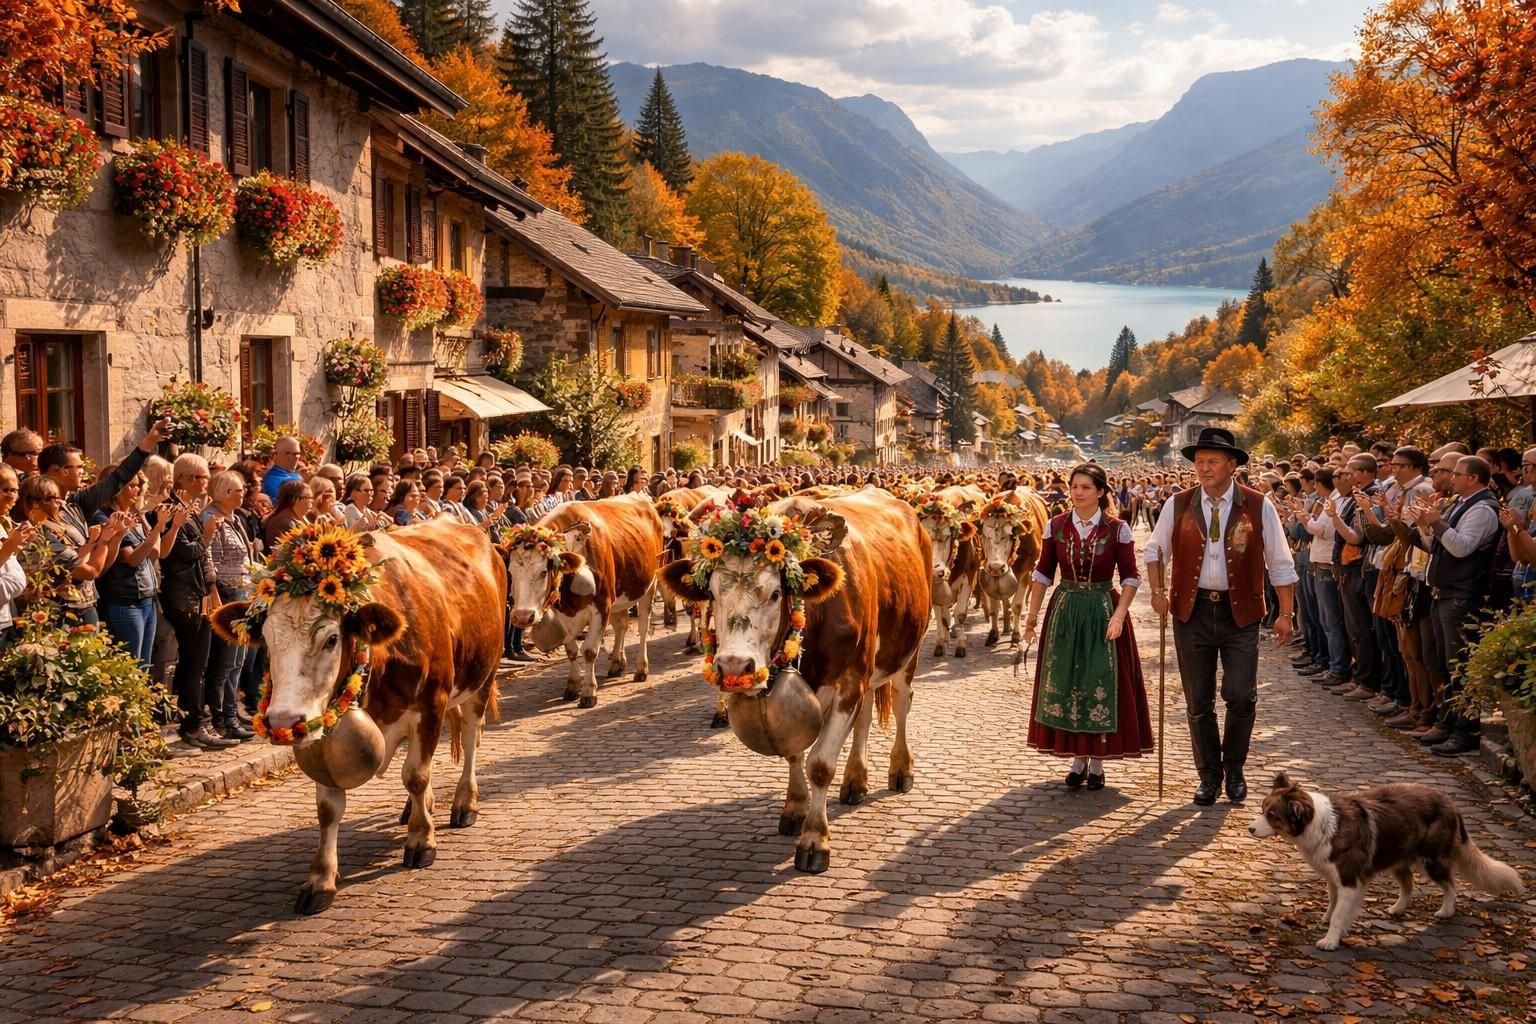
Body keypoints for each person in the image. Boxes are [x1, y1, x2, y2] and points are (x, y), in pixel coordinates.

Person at [1144, 427, 1298, 805]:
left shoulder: (1258, 504)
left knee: (1241, 696)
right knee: (1198, 700)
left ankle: (1236, 768)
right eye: (1199, 462)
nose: (1204, 468)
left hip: (1240, 612)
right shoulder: (1178, 504)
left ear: (1233, 465)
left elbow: (1280, 562)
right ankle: (1209, 775)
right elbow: (1153, 550)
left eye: (1212, 461)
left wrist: (1286, 612)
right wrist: (1158, 591)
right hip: (1191, 612)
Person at [1022, 463, 1154, 790]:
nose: (1078, 493)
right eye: (1074, 486)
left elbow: (1130, 577)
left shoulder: (1117, 528)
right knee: (1068, 682)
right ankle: (1077, 759)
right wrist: (1031, 616)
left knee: (1099, 680)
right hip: (1065, 610)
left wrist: (1120, 615)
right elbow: (1042, 573)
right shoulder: (1056, 526)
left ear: (1101, 492)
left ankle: (1096, 761)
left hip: (1101, 609)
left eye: (1085, 487)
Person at [152, 454, 234, 753]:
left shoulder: (190, 509)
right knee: (193, 664)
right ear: (183, 479)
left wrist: (211, 589)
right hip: (182, 596)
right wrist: (207, 537)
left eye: (206, 477)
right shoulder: (169, 509)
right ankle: (192, 725)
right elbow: (178, 554)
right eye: (199, 477)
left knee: (198, 663)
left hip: (197, 593)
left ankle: (200, 720)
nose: (205, 483)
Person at [93, 468, 180, 669]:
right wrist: (157, 528)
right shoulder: (105, 517)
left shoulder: (135, 514)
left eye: (138, 485)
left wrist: (171, 526)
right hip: (124, 600)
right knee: (130, 666)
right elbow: (131, 559)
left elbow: (158, 552)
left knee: (144, 665)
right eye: (131, 485)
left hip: (147, 598)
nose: (137, 489)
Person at [203, 471, 256, 740]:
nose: (243, 493)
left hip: (243, 590)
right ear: (224, 493)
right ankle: (221, 716)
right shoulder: (212, 518)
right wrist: (214, 588)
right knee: (225, 660)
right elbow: (209, 555)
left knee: (238, 659)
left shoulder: (234, 519)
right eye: (238, 490)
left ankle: (231, 712)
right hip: (227, 591)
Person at [264, 479, 313, 549]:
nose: (312, 501)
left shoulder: (296, 518)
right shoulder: (285, 523)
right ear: (295, 499)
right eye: (308, 497)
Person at [260, 435, 304, 504]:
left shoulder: (297, 475)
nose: (297, 457)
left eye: (299, 454)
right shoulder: (272, 480)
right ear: (277, 455)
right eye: (294, 454)